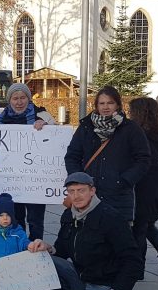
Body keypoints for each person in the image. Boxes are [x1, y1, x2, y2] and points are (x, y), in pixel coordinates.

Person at [28, 172, 143, 290]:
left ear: (92, 191)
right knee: (45, 262)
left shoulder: (111, 218)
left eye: (81, 190)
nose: (76, 196)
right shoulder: (69, 215)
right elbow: (61, 250)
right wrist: (47, 247)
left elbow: (133, 261)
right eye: (72, 191)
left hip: (104, 282)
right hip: (81, 275)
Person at [64, 86, 150, 222]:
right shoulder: (86, 127)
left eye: (110, 103)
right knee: (89, 237)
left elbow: (143, 159)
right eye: (102, 103)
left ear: (117, 105)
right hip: (89, 193)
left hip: (118, 194)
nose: (106, 107)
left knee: (118, 238)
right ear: (96, 105)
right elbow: (72, 156)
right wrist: (79, 180)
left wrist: (125, 180)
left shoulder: (131, 128)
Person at [0, 83, 57, 241]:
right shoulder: (2, 118)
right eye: (15, 98)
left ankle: (36, 248)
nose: (19, 102)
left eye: (22, 98)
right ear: (9, 100)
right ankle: (19, 247)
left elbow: (57, 134)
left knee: (36, 221)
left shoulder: (41, 113)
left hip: (36, 180)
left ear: (28, 99)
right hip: (14, 180)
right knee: (16, 219)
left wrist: (46, 125)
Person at [128, 97, 158, 280]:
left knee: (139, 228)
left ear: (139, 113)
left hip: (145, 186)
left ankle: (137, 269)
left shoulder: (140, 134)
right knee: (147, 225)